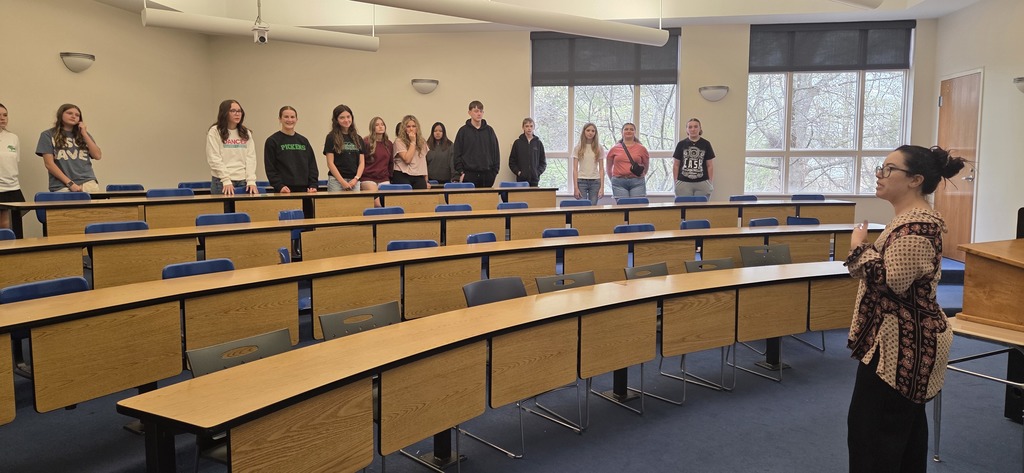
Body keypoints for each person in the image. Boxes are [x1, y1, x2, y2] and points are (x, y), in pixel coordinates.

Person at [845, 145, 966, 473]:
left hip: (900, 348)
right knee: (900, 435)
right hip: (895, 342)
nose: (879, 175)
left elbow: (889, 282)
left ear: (915, 180)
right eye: (880, 168)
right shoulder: (908, 222)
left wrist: (859, 248)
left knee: (873, 437)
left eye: (888, 169)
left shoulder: (916, 229)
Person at [36, 103, 102, 193]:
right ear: (61, 114)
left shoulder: (84, 135)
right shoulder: (48, 135)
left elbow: (97, 155)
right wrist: (70, 183)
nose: (73, 116)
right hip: (61, 185)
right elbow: (49, 164)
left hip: (88, 182)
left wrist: (84, 134)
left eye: (77, 115)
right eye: (69, 113)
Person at [206, 99, 257, 195]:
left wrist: (251, 180)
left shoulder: (246, 132)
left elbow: (251, 158)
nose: (237, 114)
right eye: (233, 111)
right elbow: (214, 158)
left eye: (239, 111)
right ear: (225, 113)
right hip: (222, 182)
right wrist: (226, 179)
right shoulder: (215, 131)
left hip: (243, 181)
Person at [263, 106, 318, 194]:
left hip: (305, 190)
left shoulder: (303, 141)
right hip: (283, 190)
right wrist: (279, 186)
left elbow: (312, 165)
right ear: (280, 119)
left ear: (297, 119)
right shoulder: (272, 141)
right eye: (286, 117)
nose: (289, 120)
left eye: (292, 117)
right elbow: (270, 168)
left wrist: (313, 185)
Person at [453, 100, 499, 187]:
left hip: (487, 175)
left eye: (481, 111)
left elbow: (496, 152)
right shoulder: (463, 131)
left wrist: (494, 172)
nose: (479, 114)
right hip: (469, 175)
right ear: (469, 112)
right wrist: (461, 172)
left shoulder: (489, 131)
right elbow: (457, 153)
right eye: (476, 111)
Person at [323, 105, 365, 192]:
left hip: (354, 180)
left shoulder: (358, 138)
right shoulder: (331, 137)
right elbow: (330, 163)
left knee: (355, 205)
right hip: (336, 181)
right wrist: (342, 181)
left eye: (348, 117)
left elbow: (362, 162)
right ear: (336, 120)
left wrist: (356, 179)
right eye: (342, 118)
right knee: (336, 205)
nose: (346, 120)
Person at [672, 118, 715, 198]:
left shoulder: (706, 144)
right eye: (690, 127)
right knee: (684, 208)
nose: (693, 129)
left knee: (700, 209)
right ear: (687, 130)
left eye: (695, 127)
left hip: (702, 182)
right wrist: (676, 182)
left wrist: (710, 182)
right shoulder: (681, 144)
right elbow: (676, 165)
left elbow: (710, 165)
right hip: (683, 182)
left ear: (700, 128)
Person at [605, 122, 648, 199]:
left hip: (637, 181)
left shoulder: (642, 149)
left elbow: (646, 166)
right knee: (623, 207)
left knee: (637, 208)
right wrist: (614, 180)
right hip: (619, 182)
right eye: (626, 129)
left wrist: (641, 174)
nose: (629, 131)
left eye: (631, 129)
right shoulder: (614, 149)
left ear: (635, 132)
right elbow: (608, 168)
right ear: (622, 132)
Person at [0, 103, 24, 229]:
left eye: (5, 115)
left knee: (14, 227)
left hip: (12, 188)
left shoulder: (13, 137)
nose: (3, 118)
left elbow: (15, 162)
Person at [391, 115, 429, 189]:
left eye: (413, 126)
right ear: (404, 128)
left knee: (421, 197)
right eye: (408, 126)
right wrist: (413, 142)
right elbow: (407, 159)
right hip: (402, 174)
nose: (411, 129)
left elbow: (423, 161)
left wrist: (426, 179)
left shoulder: (422, 141)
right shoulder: (399, 141)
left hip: (418, 174)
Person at [508, 117, 546, 187]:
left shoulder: (538, 143)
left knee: (533, 198)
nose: (529, 128)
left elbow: (543, 162)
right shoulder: (517, 143)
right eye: (527, 126)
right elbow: (512, 162)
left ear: (534, 127)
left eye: (531, 126)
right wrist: (519, 173)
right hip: (521, 180)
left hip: (534, 180)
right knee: (522, 198)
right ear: (523, 127)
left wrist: (537, 173)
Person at [573, 122, 605, 205]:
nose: (590, 133)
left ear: (595, 133)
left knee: (593, 207)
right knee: (582, 207)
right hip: (581, 180)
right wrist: (575, 188)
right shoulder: (578, 148)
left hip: (595, 181)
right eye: (588, 130)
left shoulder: (599, 147)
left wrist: (602, 187)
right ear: (584, 132)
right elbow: (575, 169)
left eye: (593, 131)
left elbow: (601, 169)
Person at [361, 116, 393, 193]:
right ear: (372, 127)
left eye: (382, 124)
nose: (380, 127)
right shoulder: (366, 142)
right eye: (377, 125)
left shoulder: (389, 144)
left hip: (383, 178)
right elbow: (360, 161)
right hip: (368, 178)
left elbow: (391, 163)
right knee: (376, 199)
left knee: (389, 200)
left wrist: (390, 178)